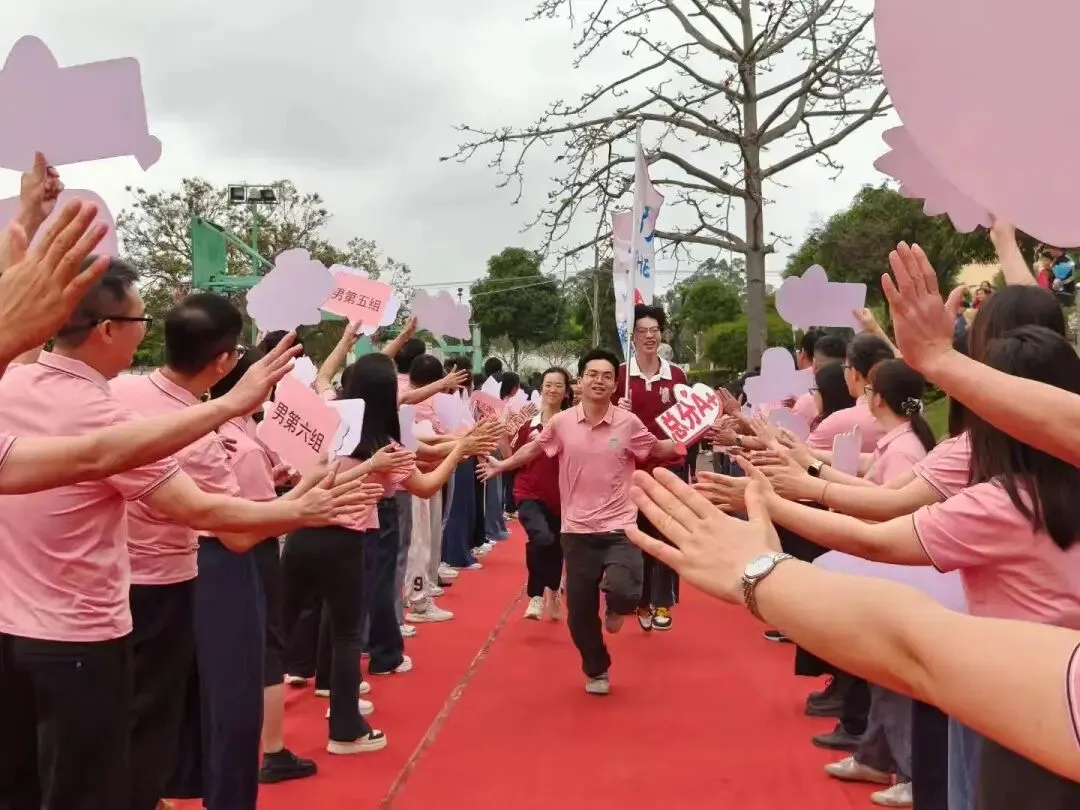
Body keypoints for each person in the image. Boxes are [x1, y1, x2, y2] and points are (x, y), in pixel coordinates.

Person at [0, 260, 363, 810]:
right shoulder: (114, 420)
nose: (148, 329)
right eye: (140, 316)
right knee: (122, 758)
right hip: (90, 631)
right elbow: (208, 514)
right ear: (107, 330)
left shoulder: (19, 380)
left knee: (32, 774)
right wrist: (300, 507)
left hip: (15, 625)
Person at [481, 348, 683, 694]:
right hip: (576, 531)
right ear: (581, 380)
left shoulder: (628, 423)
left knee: (625, 589)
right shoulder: (560, 423)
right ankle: (597, 668)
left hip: (621, 525)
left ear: (615, 383)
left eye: (606, 376)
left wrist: (682, 442)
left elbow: (654, 448)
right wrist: (503, 465)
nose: (599, 381)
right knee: (579, 615)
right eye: (592, 374)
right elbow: (534, 448)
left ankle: (618, 607)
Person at [614, 304, 688, 632]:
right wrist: (618, 409)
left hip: (669, 467)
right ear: (632, 336)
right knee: (636, 535)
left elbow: (690, 423)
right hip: (630, 468)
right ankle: (640, 599)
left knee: (668, 532)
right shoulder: (618, 375)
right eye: (642, 330)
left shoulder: (677, 376)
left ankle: (663, 602)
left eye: (654, 330)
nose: (649, 335)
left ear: (662, 334)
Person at [512, 367, 571, 620]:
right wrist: (504, 433)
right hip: (528, 491)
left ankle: (554, 590)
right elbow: (512, 457)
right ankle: (536, 595)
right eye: (548, 384)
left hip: (560, 496)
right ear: (541, 388)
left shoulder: (572, 424)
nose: (552, 390)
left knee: (556, 546)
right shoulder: (528, 425)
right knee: (541, 538)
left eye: (558, 385)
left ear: (566, 391)